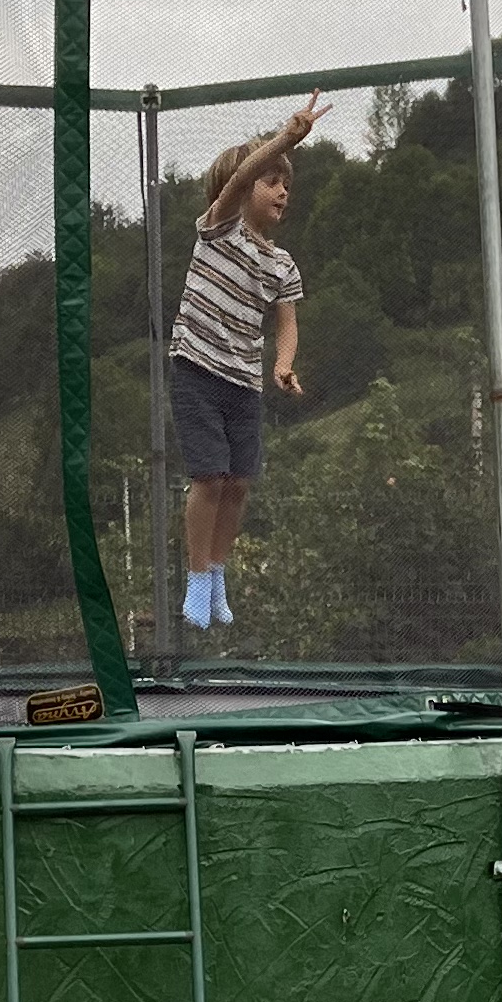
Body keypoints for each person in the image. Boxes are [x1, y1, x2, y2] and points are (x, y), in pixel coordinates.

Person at [166, 96, 319, 634]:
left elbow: (287, 323)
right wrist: (285, 140)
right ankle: (197, 579)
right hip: (196, 370)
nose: (282, 191)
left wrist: (283, 364)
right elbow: (239, 177)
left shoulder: (282, 264)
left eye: (287, 185)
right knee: (209, 478)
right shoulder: (219, 226)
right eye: (271, 181)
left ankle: (217, 573)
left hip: (243, 383)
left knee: (238, 483)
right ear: (242, 187)